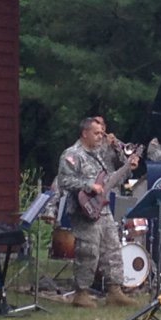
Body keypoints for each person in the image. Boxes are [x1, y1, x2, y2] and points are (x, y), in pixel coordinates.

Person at [56, 117, 141, 308]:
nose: (100, 137)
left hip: (103, 208)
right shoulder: (72, 154)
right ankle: (81, 293)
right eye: (96, 133)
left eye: (102, 133)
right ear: (85, 133)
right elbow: (64, 181)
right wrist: (89, 185)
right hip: (83, 210)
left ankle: (115, 291)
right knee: (88, 251)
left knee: (112, 249)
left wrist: (128, 168)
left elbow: (111, 180)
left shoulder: (100, 154)